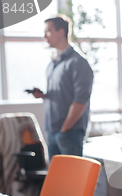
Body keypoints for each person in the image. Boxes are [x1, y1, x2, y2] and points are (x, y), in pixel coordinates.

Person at [27, 15, 93, 161]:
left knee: (72, 180)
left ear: (61, 32)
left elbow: (81, 100)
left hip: (69, 132)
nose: (45, 36)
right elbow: (61, 93)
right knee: (56, 181)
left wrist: (65, 129)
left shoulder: (78, 63)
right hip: (51, 131)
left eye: (48, 31)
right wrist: (43, 95)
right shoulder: (53, 64)